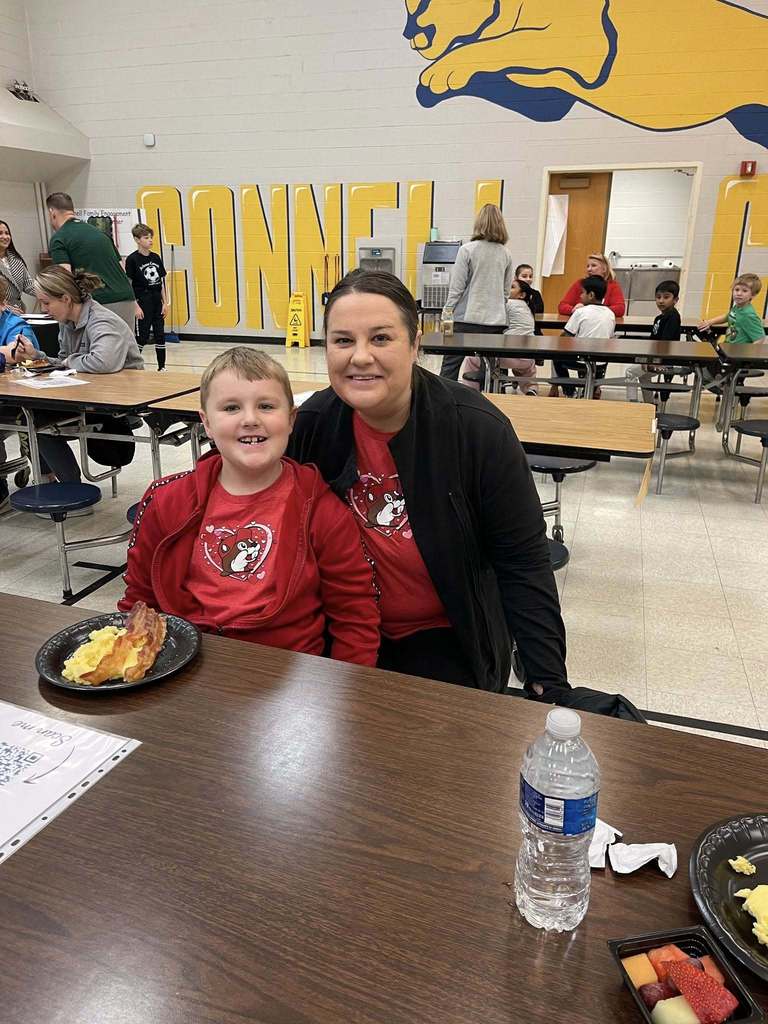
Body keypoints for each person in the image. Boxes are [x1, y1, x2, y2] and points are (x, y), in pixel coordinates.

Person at [288, 270, 568, 695]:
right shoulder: (312, 425)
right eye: (342, 340)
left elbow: (524, 564)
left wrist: (548, 682)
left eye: (381, 338)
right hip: (338, 633)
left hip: (446, 637)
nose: (360, 356)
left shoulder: (476, 430)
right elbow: (235, 487)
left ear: (415, 344)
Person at [120, 348, 380, 666]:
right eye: (231, 407)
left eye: (266, 406)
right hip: (186, 669)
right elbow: (139, 602)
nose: (250, 419)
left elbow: (355, 617)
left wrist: (346, 693)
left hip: (291, 676)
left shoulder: (322, 512)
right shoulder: (166, 501)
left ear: (291, 419)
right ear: (207, 423)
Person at [14, 266, 144, 483]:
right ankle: (50, 480)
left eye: (46, 302)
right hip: (86, 395)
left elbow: (103, 362)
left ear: (65, 298)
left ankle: (69, 485)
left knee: (40, 422)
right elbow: (67, 363)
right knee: (27, 415)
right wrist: (38, 356)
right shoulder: (67, 324)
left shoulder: (102, 321)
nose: (44, 309)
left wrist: (65, 362)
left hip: (117, 402)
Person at [439, 204, 514, 380]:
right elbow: (505, 292)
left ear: (478, 223)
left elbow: (456, 288)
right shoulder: (506, 254)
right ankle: (490, 401)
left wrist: (446, 313)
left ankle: (441, 402)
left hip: (466, 319)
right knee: (490, 370)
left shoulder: (467, 250)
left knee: (450, 366)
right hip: (495, 321)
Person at [45, 193, 136, 327]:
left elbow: (64, 279)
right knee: (127, 345)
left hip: (100, 302)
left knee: (100, 346)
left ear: (52, 213)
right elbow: (121, 268)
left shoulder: (60, 237)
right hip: (126, 298)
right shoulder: (101, 234)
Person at [459, 277, 538, 394]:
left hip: (510, 357)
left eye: (511, 287)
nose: (505, 288)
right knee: (527, 368)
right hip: (528, 358)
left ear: (521, 295)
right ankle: (531, 389)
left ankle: (470, 392)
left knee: (471, 359)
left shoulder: (507, 304)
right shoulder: (528, 308)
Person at [554, 276, 616, 397]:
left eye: (582, 292)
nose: (580, 296)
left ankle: (569, 391)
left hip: (581, 360)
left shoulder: (581, 312)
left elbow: (566, 336)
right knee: (597, 356)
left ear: (591, 295)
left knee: (556, 355)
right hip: (601, 363)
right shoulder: (610, 314)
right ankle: (592, 389)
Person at [626, 280, 682, 402]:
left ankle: (632, 405)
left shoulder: (673, 316)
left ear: (675, 300)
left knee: (630, 372)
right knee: (644, 377)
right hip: (655, 358)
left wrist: (654, 360)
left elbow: (665, 342)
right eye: (658, 297)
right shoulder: (659, 318)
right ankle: (650, 405)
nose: (661, 300)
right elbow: (653, 340)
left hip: (663, 361)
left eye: (666, 297)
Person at [125, 223, 169, 371]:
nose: (150, 240)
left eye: (151, 237)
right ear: (137, 240)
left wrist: (165, 303)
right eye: (146, 237)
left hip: (157, 299)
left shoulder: (156, 257)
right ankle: (133, 364)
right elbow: (129, 285)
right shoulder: (132, 259)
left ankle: (162, 367)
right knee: (142, 336)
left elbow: (162, 282)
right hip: (143, 301)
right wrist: (135, 306)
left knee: (160, 334)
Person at [698, 273, 766, 344]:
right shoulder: (737, 307)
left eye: (744, 291)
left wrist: (748, 354)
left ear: (753, 295)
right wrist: (709, 322)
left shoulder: (748, 315)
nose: (739, 293)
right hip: (727, 347)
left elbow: (760, 338)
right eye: (737, 290)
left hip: (737, 353)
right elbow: (727, 316)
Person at [558, 253, 626, 318]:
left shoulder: (613, 285)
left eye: (593, 266)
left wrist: (592, 311)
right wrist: (573, 309)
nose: (589, 269)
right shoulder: (579, 283)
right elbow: (562, 306)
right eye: (588, 266)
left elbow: (620, 309)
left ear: (604, 269)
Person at [0, 220, 36, 311]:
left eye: (7, 233)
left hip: (19, 312)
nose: (5, 237)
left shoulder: (17, 260)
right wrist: (5, 308)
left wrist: (50, 291)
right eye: (0, 233)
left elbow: (29, 286)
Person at [515, 263, 544, 334]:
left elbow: (539, 312)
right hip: (515, 328)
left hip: (533, 328)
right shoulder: (513, 294)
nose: (528, 279)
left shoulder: (536, 294)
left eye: (530, 276)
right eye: (524, 276)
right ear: (516, 278)